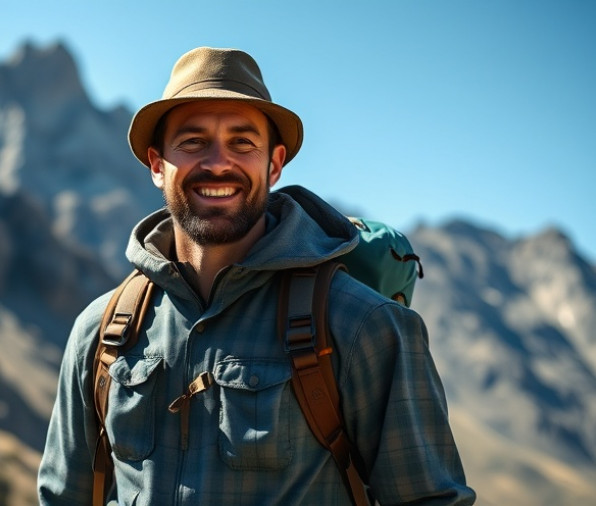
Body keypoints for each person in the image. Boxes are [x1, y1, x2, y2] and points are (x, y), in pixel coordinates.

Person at [37, 46, 475, 505]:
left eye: (242, 142)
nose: (218, 163)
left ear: (274, 164)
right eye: (193, 142)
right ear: (156, 165)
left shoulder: (360, 326)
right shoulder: (101, 333)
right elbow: (63, 497)